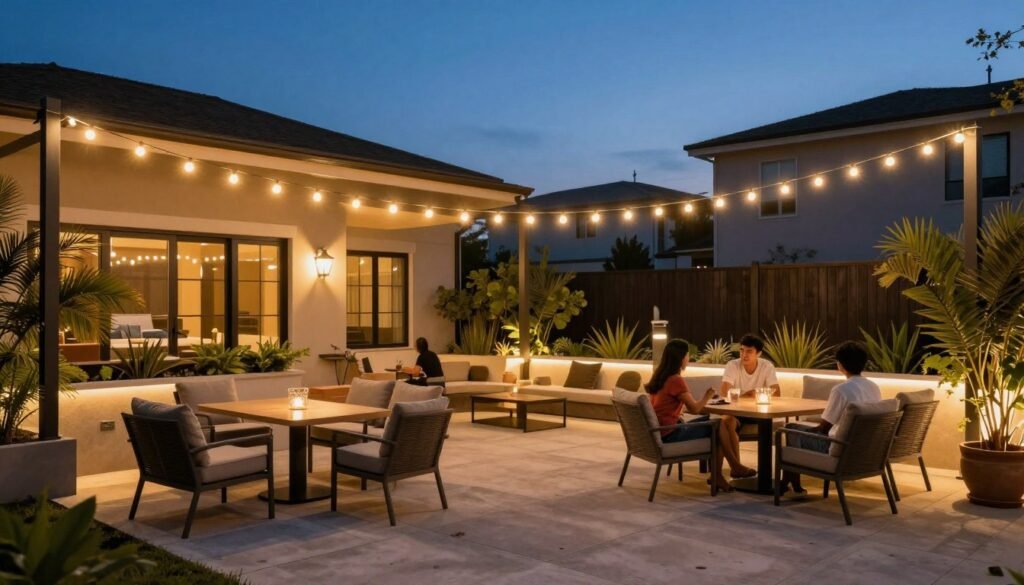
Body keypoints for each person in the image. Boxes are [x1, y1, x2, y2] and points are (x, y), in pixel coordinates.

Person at [646, 339, 751, 492]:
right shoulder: (676, 380)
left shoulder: (660, 376)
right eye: (687, 355)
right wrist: (708, 395)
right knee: (719, 425)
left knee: (718, 424)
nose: (688, 359)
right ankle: (733, 467)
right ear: (681, 358)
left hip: (661, 431)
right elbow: (695, 409)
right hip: (670, 433)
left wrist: (699, 402)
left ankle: (721, 475)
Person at [779, 340, 881, 494]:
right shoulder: (873, 387)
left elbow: (824, 428)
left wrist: (807, 429)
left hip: (838, 448)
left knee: (789, 429)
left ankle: (789, 483)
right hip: (862, 448)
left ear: (840, 365)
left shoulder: (841, 390)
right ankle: (789, 483)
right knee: (794, 429)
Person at [715, 334, 780, 478]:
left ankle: (742, 469)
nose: (744, 355)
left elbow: (776, 393)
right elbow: (725, 392)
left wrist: (748, 394)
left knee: (727, 422)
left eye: (749, 351)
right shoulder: (732, 365)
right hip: (736, 412)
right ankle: (736, 466)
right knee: (726, 421)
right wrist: (748, 394)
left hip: (759, 411)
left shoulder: (766, 366)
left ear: (759, 353)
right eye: (741, 350)